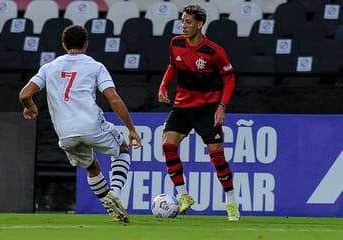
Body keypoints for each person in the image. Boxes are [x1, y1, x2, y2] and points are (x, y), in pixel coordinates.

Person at [19, 25, 141, 223]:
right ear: (86, 44)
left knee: (92, 167)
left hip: (65, 134)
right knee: (122, 149)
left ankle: (112, 212)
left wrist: (30, 106)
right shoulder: (95, 66)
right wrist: (131, 129)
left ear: (64, 44)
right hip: (91, 124)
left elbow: (24, 94)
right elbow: (114, 99)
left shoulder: (49, 67)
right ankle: (115, 193)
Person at [157, 4, 240, 221]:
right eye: (182, 21)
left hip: (207, 108)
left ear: (200, 24)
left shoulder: (214, 51)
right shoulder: (175, 43)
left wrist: (222, 107)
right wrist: (163, 85)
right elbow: (172, 65)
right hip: (182, 106)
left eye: (188, 22)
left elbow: (229, 78)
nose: (184, 26)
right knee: (167, 145)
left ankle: (231, 203)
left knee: (216, 155)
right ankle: (184, 196)